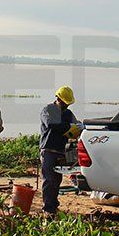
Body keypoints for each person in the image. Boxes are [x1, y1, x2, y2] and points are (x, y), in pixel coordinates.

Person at [39, 86, 79, 215]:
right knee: (48, 180)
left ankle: (53, 206)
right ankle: (47, 209)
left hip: (61, 150)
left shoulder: (68, 113)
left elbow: (76, 124)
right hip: (48, 150)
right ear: (58, 99)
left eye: (67, 104)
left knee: (56, 180)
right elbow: (51, 124)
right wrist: (69, 126)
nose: (66, 106)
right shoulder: (48, 110)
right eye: (64, 103)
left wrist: (78, 127)